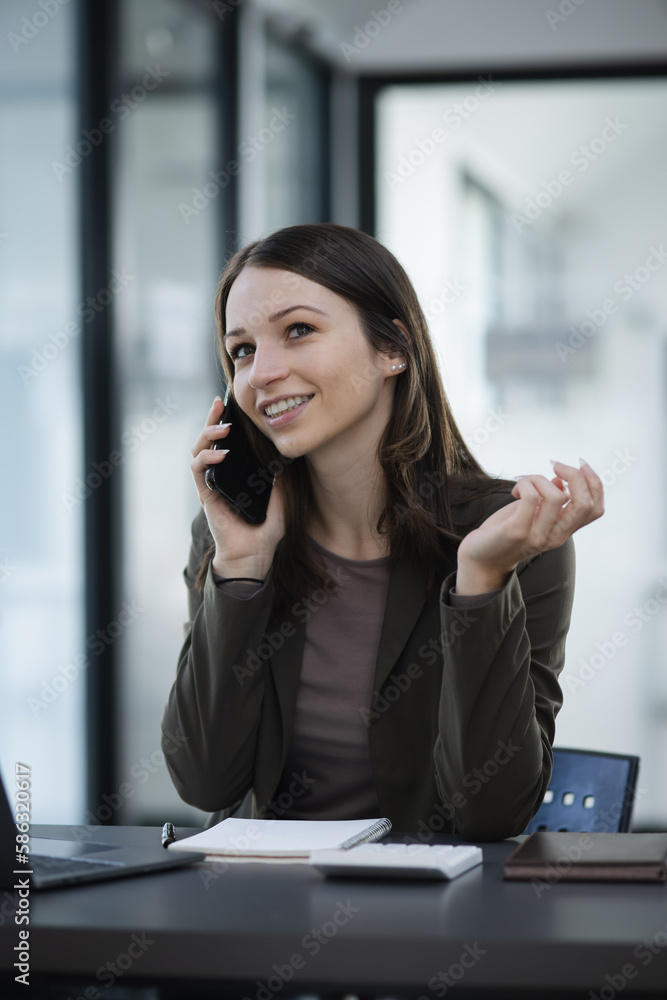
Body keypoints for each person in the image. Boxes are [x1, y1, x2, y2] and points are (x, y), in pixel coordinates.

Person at [161, 223, 604, 841]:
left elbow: (491, 811)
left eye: (298, 331)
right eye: (242, 350)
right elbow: (205, 782)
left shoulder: (507, 536)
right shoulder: (236, 533)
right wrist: (238, 569)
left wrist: (480, 582)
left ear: (392, 348)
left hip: (432, 921)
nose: (261, 374)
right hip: (260, 910)